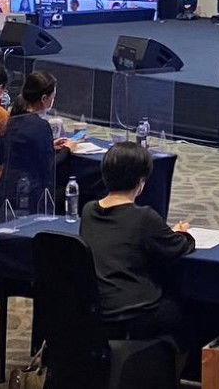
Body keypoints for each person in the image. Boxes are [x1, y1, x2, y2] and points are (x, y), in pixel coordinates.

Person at [78, 141, 195, 358]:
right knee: (189, 312)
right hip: (137, 310)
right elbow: (178, 247)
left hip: (97, 307)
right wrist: (181, 232)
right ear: (141, 182)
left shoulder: (88, 211)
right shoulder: (144, 217)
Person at [0, 71, 80, 212]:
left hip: (9, 188)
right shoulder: (40, 126)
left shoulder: (13, 119)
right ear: (44, 98)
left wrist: (50, 145)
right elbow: (49, 166)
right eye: (52, 97)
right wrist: (68, 149)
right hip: (32, 194)